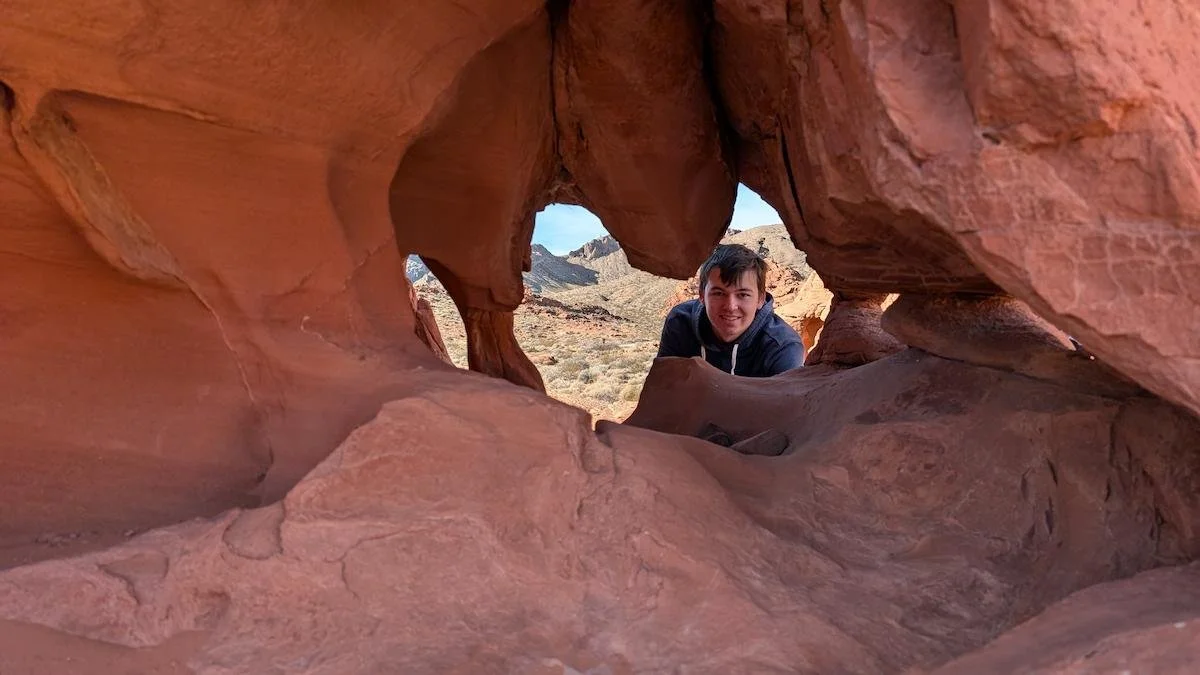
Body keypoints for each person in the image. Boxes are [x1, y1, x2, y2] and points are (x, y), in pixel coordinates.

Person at [657, 244, 803, 377]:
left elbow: (783, 405)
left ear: (760, 299)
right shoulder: (680, 323)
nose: (730, 306)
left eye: (743, 295)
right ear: (702, 295)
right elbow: (661, 389)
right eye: (719, 293)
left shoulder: (782, 346)